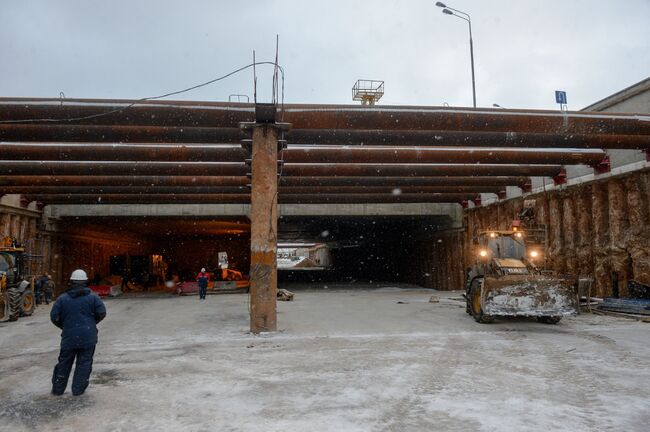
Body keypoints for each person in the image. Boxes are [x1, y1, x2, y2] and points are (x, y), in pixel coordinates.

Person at [50, 269, 106, 396]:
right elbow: (102, 313)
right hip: (88, 337)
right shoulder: (93, 297)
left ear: (71, 282)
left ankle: (58, 389)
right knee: (84, 363)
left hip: (69, 337)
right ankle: (78, 390)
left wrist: (65, 326)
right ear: (85, 281)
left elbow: (54, 317)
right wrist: (91, 324)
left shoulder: (62, 299)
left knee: (64, 363)